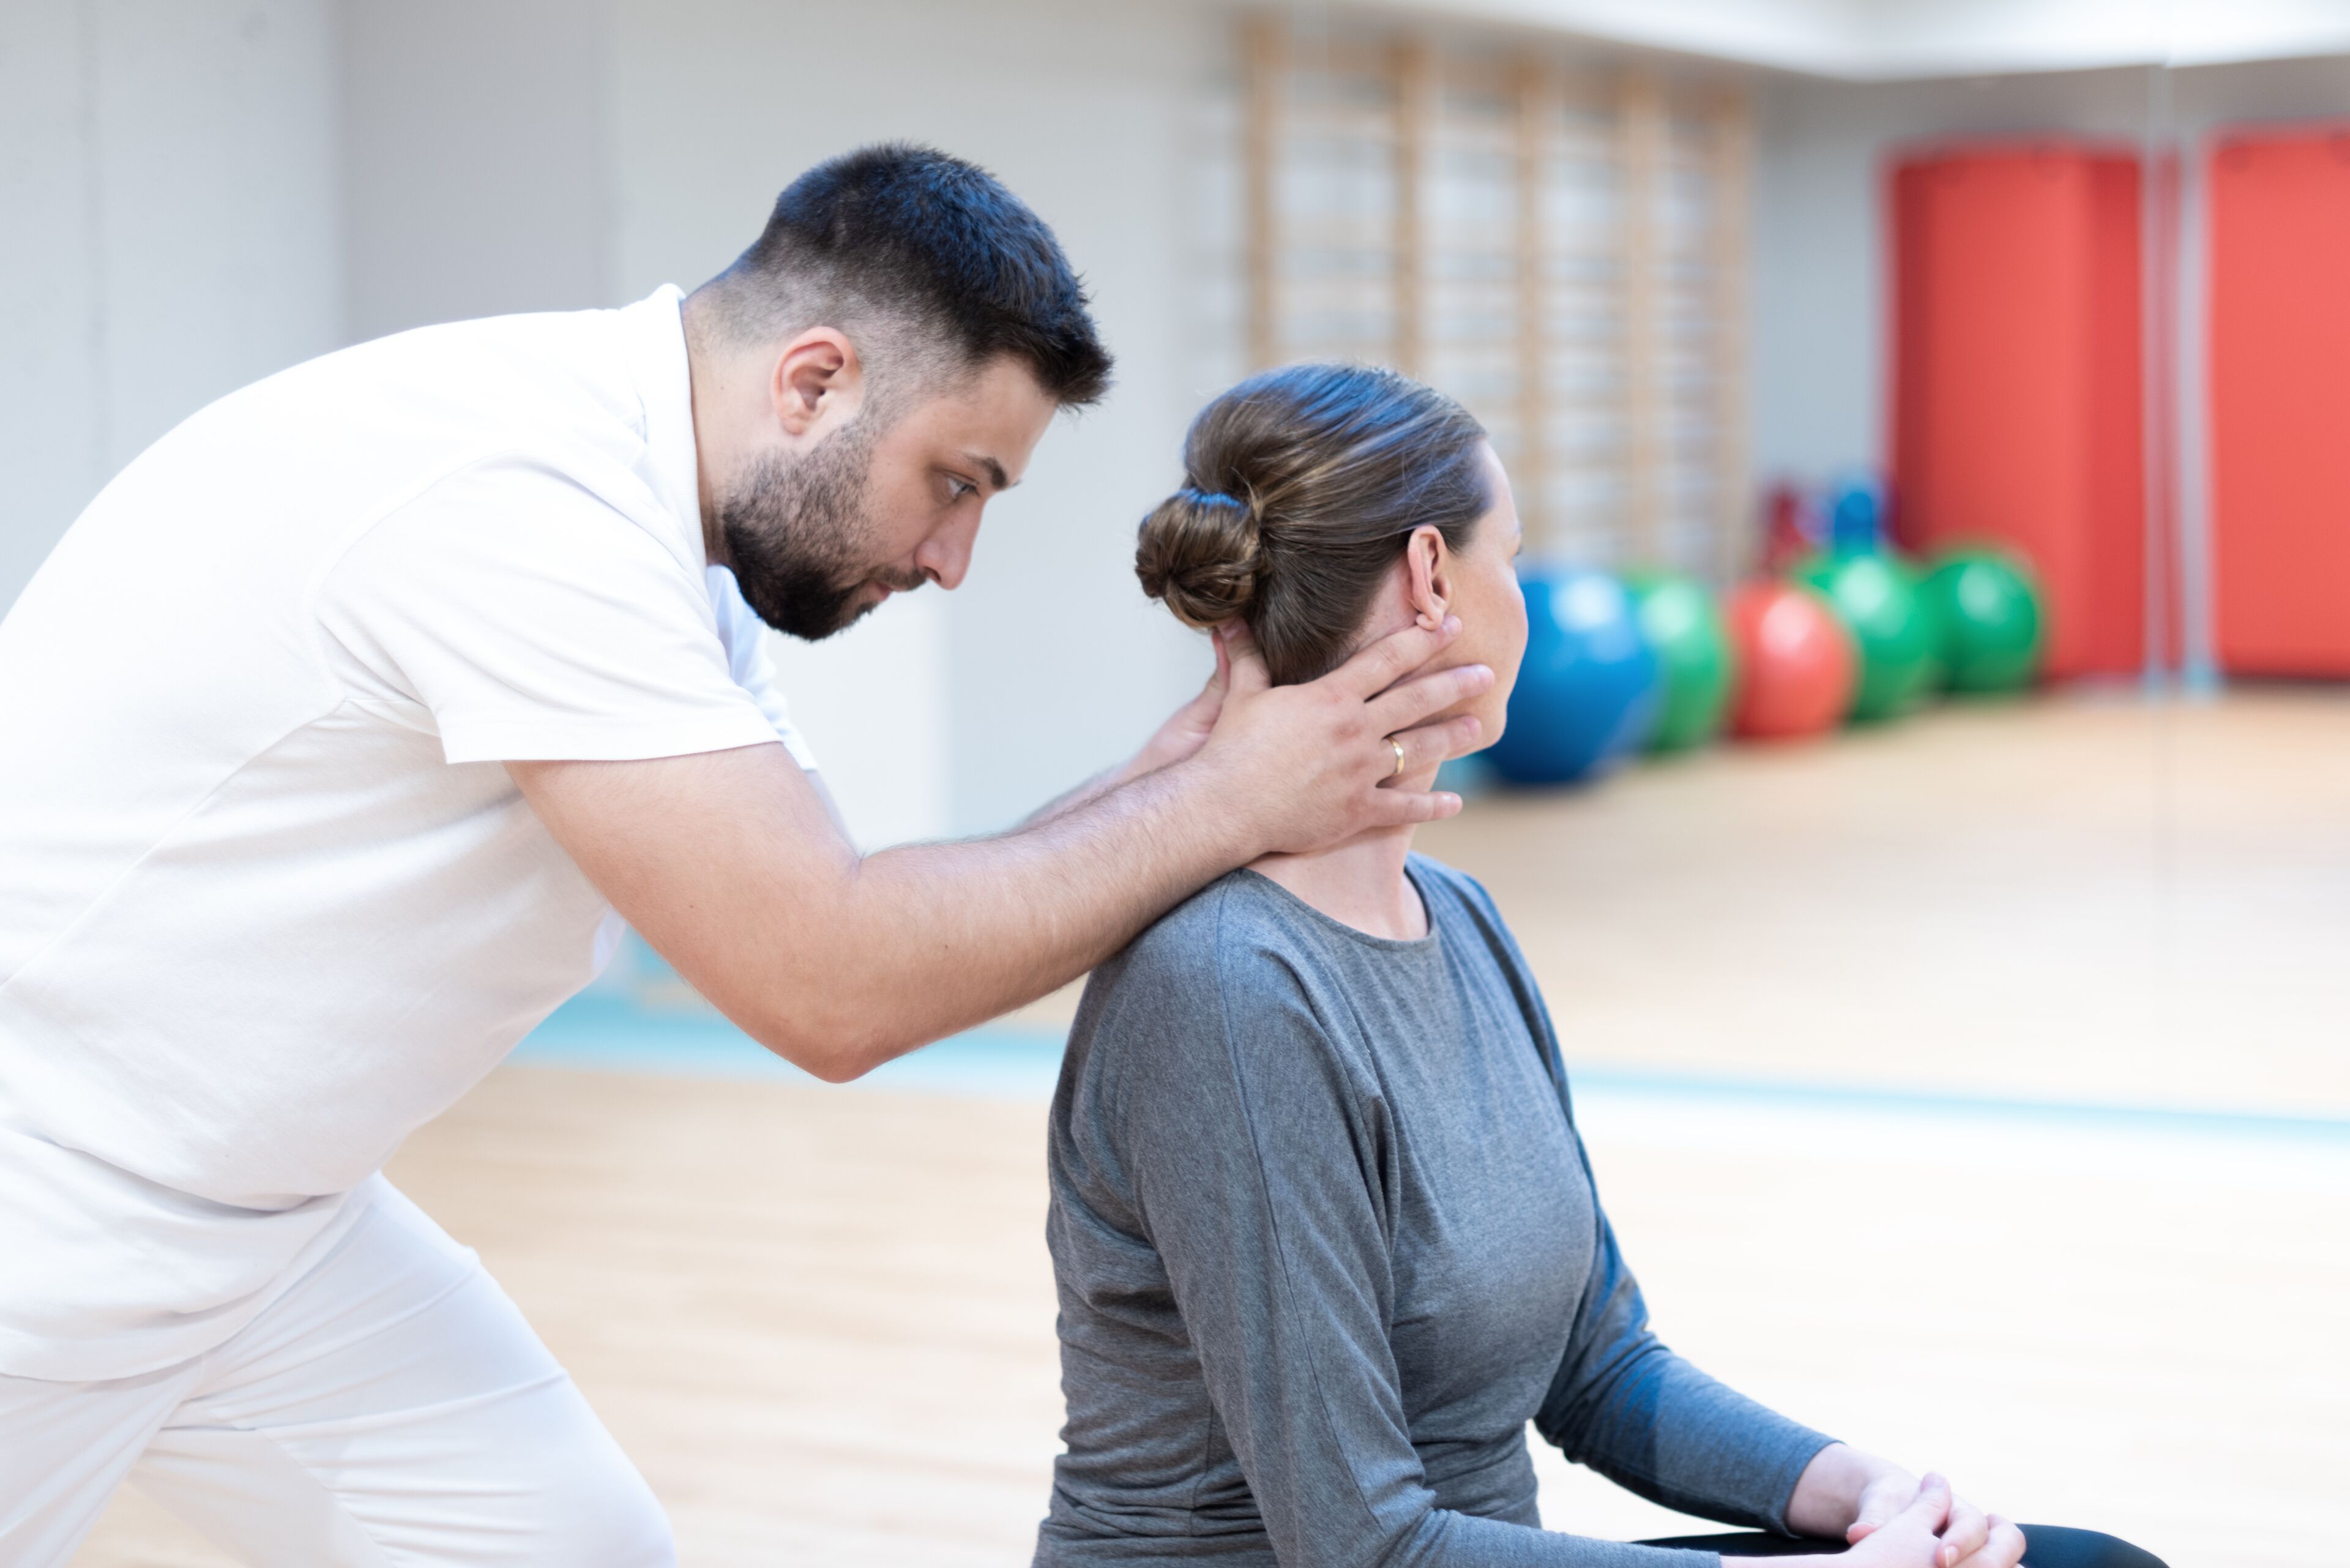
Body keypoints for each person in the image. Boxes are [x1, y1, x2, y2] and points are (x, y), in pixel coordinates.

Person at [0, 147, 1492, 1566]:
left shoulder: (667, 536)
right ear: (815, 382)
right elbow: (826, 984)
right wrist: (1230, 803)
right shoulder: (525, 505)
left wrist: (1178, 778)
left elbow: (847, 898)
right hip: (48, 1200)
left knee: (562, 1545)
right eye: (957, 481)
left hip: (264, 1220)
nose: (949, 558)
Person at [1034, 364, 2166, 1568]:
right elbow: (1362, 1547)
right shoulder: (1228, 993)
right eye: (1510, 556)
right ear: (1431, 578)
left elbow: (1598, 1368)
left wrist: (1870, 1494)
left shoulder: (1457, 920)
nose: (1525, 592)